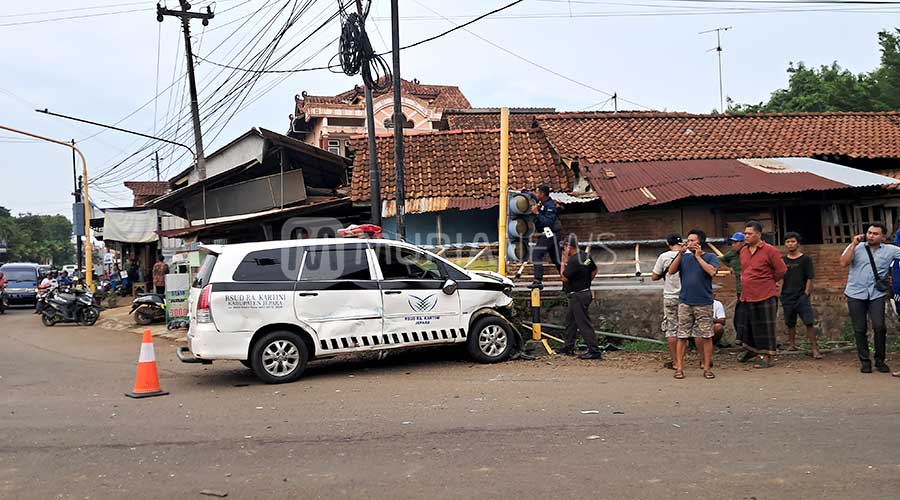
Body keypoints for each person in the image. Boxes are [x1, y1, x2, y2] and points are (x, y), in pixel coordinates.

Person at [839, 223, 900, 374]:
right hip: (855, 293)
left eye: (875, 234)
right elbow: (843, 263)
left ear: (883, 237)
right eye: (869, 232)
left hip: (876, 294)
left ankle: (880, 360)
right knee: (859, 328)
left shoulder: (891, 250)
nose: (871, 236)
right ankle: (865, 361)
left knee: (880, 327)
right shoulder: (856, 247)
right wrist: (853, 244)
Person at [668, 229, 719, 380]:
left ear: (700, 242)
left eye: (692, 240)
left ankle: (707, 368)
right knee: (682, 335)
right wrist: (680, 254)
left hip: (704, 302)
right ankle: (679, 368)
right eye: (688, 240)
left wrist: (698, 257)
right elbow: (671, 271)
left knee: (706, 336)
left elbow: (712, 272)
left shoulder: (710, 257)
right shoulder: (684, 257)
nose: (688, 243)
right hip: (685, 302)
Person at [736, 221, 787, 368]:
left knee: (765, 326)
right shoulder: (743, 251)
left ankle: (767, 356)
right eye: (745, 233)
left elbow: (781, 270)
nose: (746, 236)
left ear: (758, 234)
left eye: (749, 234)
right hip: (747, 294)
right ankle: (751, 350)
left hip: (765, 293)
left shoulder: (770, 250)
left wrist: (769, 281)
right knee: (748, 324)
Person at [558, 234, 601, 360]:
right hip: (584, 292)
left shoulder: (574, 261)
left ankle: (594, 351)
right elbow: (594, 270)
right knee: (571, 322)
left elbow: (564, 277)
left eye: (564, 247)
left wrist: (563, 261)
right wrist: (586, 282)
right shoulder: (586, 257)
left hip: (578, 295)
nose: (563, 250)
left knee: (583, 323)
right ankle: (568, 347)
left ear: (569, 247)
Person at [781, 232, 823, 359]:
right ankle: (791, 345)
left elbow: (810, 277)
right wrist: (780, 293)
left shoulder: (805, 259)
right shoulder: (782, 260)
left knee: (809, 322)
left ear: (798, 244)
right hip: (787, 295)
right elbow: (779, 277)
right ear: (785, 244)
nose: (790, 244)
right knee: (790, 322)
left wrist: (806, 293)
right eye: (788, 242)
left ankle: (814, 349)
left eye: (793, 241)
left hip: (801, 296)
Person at [651, 233, 683, 370]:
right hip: (687, 297)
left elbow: (654, 276)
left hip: (670, 296)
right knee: (693, 328)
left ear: (668, 244)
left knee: (672, 329)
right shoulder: (690, 255)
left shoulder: (664, 257)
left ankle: (676, 362)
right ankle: (703, 361)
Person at [530, 184, 562, 289]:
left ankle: (537, 280)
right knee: (557, 260)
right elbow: (532, 196)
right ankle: (568, 282)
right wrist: (524, 192)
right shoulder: (542, 202)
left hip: (551, 234)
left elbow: (548, 222)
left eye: (537, 192)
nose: (535, 194)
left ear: (542, 194)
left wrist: (537, 213)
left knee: (536, 254)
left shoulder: (550, 206)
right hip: (550, 234)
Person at [719, 232, 745, 337]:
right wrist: (730, 267)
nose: (733, 245)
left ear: (743, 243)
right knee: (739, 316)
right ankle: (741, 337)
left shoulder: (748, 253)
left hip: (752, 289)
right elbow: (723, 259)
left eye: (735, 242)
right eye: (732, 243)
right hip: (740, 289)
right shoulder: (732, 254)